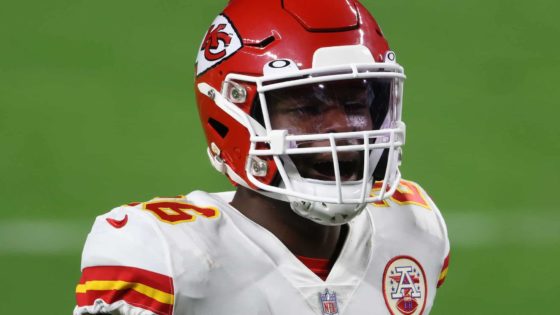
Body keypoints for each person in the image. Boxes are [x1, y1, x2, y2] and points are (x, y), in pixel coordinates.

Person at [74, 0, 450, 314]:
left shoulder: (413, 228)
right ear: (233, 117)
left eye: (355, 102)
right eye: (307, 108)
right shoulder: (164, 256)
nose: (341, 127)